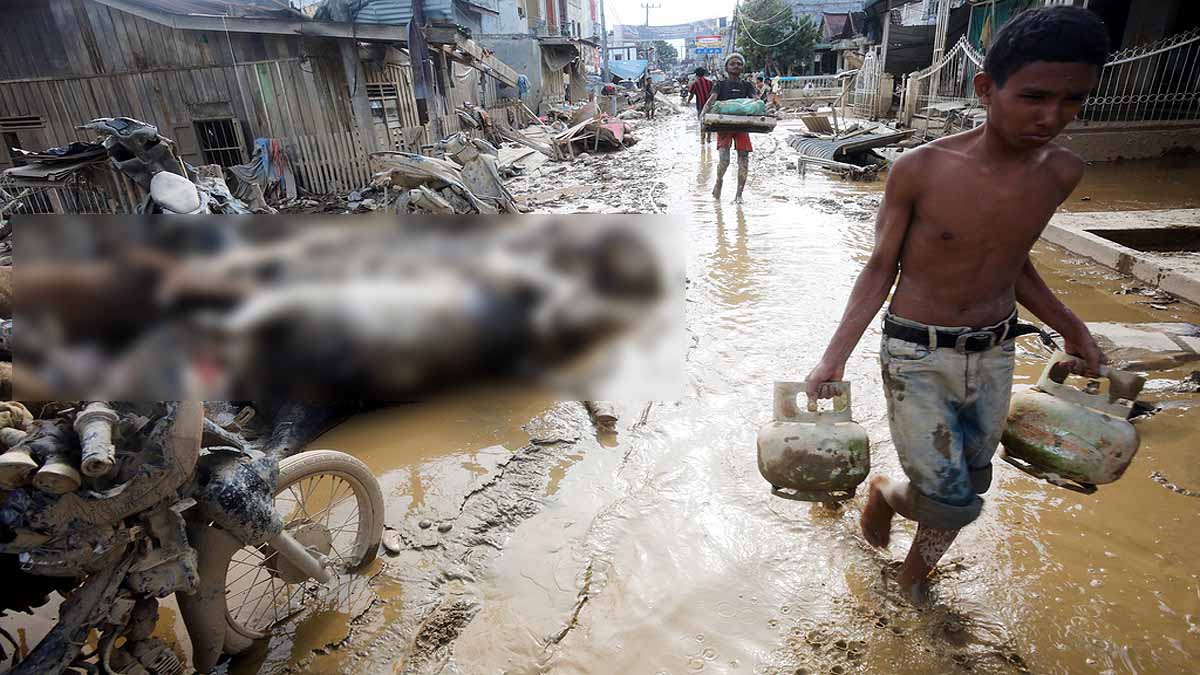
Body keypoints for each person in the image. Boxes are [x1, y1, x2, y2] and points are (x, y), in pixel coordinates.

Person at [804, 7, 1111, 605]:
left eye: (1073, 99)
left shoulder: (1062, 172)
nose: (1052, 117)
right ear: (985, 88)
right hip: (916, 352)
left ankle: (890, 495)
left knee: (973, 480)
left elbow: (1015, 263)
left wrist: (1076, 330)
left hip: (996, 351)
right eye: (1035, 97)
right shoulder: (920, 169)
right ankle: (912, 580)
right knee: (950, 498)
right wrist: (832, 359)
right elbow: (879, 269)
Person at [700, 53, 756, 203]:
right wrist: (703, 116)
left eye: (739, 63)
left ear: (742, 67)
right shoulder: (720, 84)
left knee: (744, 160)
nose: (736, 66)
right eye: (732, 64)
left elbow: (755, 103)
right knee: (724, 160)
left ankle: (739, 195)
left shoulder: (747, 85)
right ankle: (719, 180)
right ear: (726, 67)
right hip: (724, 126)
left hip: (742, 127)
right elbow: (711, 100)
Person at [685, 66, 715, 145]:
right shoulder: (710, 83)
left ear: (696, 75)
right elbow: (714, 95)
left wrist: (688, 101)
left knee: (702, 122)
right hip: (710, 106)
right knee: (710, 122)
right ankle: (709, 138)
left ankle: (702, 139)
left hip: (700, 106)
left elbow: (691, 94)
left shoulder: (695, 84)